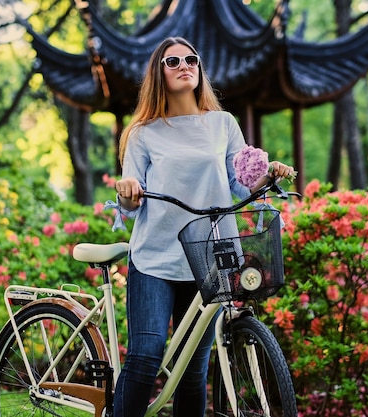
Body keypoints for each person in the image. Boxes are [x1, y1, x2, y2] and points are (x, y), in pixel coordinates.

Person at [113, 36, 295, 417]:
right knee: (147, 356)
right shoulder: (143, 133)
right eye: (173, 61)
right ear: (158, 73)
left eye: (191, 59)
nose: (184, 65)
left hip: (211, 257)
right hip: (156, 257)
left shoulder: (222, 124)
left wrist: (267, 175)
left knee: (193, 370)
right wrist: (128, 192)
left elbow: (241, 178)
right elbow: (130, 195)